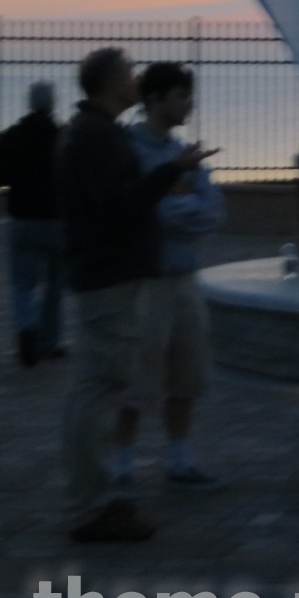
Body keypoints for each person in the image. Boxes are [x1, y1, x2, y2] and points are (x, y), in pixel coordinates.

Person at [54, 48, 215, 543]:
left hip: (106, 276)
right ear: (110, 84)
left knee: (97, 389)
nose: (136, 79)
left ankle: (98, 499)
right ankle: (93, 506)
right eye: (129, 74)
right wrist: (170, 173)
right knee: (100, 392)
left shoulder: (92, 133)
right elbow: (117, 208)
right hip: (111, 280)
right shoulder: (100, 137)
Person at [112, 63, 227, 490]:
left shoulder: (186, 154)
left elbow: (212, 210)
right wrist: (183, 208)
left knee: (188, 374)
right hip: (148, 282)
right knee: (136, 378)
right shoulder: (132, 153)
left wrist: (182, 210)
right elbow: (154, 211)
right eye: (180, 96)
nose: (188, 104)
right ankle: (120, 465)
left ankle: (180, 461)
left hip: (185, 278)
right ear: (154, 100)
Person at [0, 81, 65, 367]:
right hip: (56, 220)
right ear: (52, 104)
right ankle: (50, 342)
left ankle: (26, 332)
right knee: (55, 284)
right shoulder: (62, 137)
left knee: (23, 283)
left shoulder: (12, 136)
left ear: (29, 103)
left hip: (22, 220)